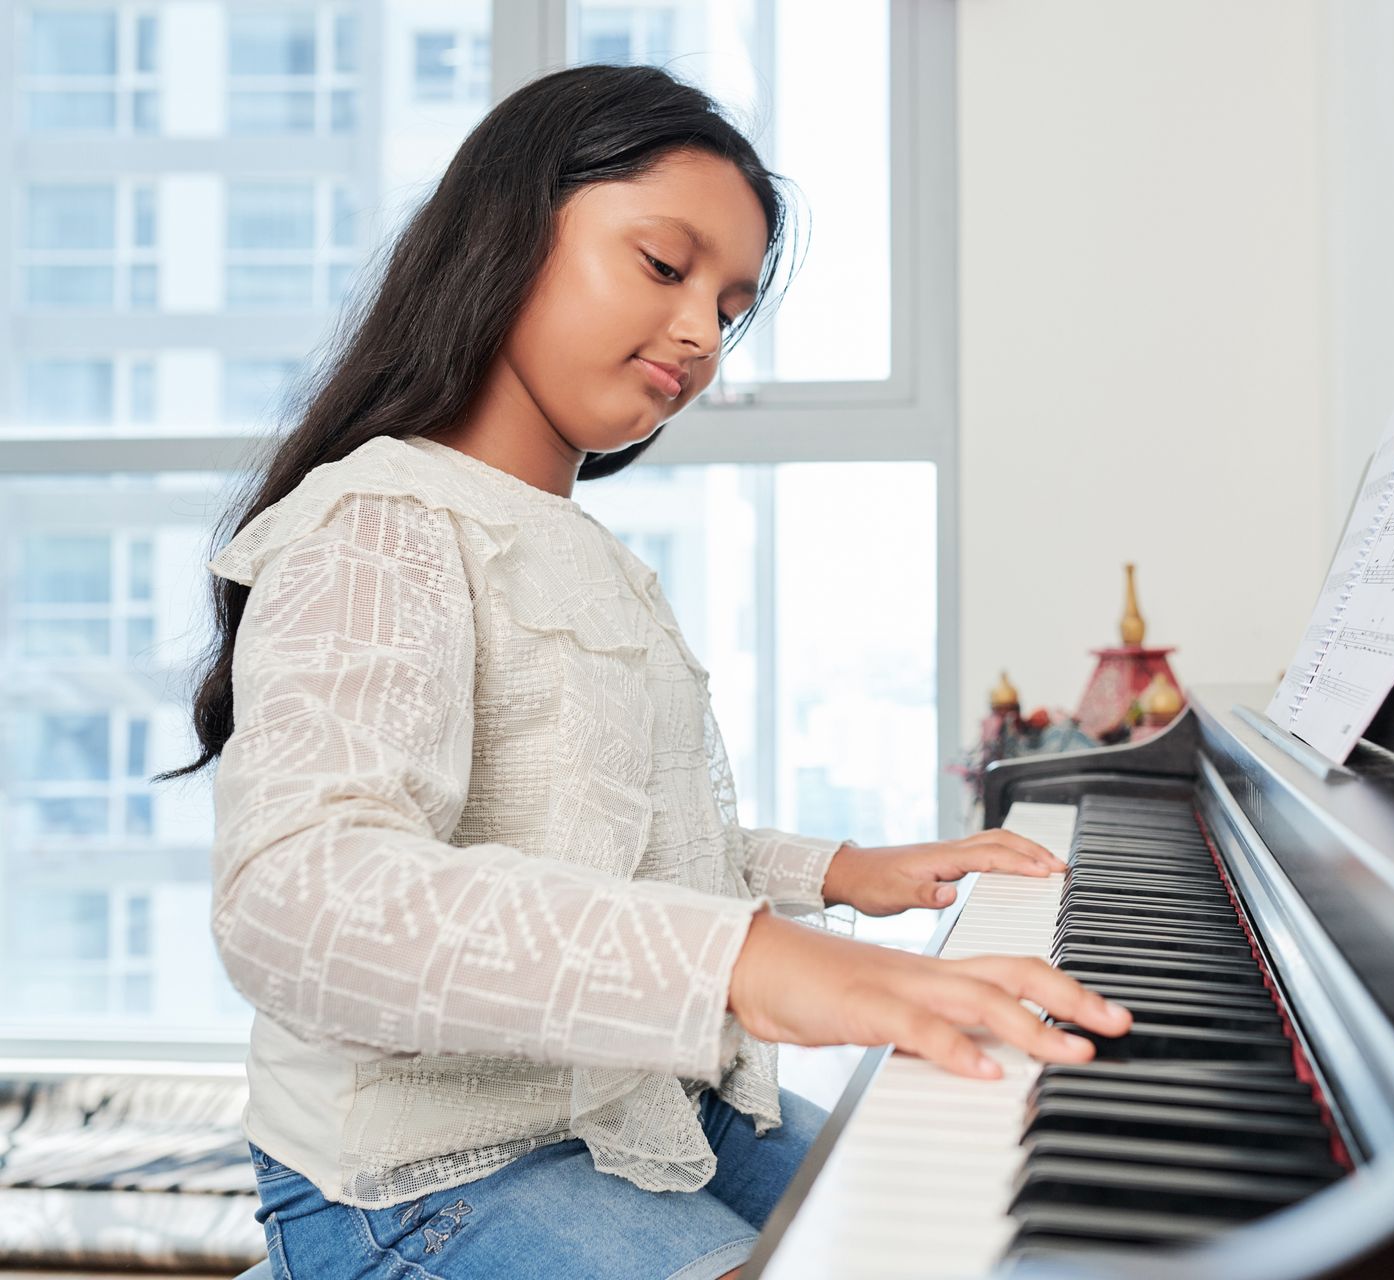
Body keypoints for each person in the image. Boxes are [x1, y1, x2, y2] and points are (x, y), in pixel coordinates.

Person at [158, 64, 1130, 1280]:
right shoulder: (378, 521)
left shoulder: (584, 549)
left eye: (728, 308)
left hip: (655, 1106)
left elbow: (599, 841)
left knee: (979, 1216)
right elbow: (303, 901)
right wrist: (749, 963)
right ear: (506, 235)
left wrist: (834, 873)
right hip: (433, 1175)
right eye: (665, 268)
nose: (699, 335)